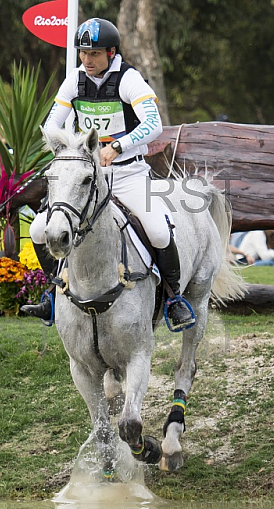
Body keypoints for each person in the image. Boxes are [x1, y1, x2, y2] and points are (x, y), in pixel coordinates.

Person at [20, 18, 194, 331]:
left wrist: (118, 145)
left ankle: (173, 299)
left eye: (95, 54)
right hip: (86, 179)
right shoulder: (74, 80)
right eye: (83, 53)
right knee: (38, 230)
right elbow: (51, 127)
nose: (87, 60)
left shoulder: (129, 80)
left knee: (158, 231)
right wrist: (71, 149)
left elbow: (153, 125)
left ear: (111, 53)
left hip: (128, 174)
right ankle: (52, 293)